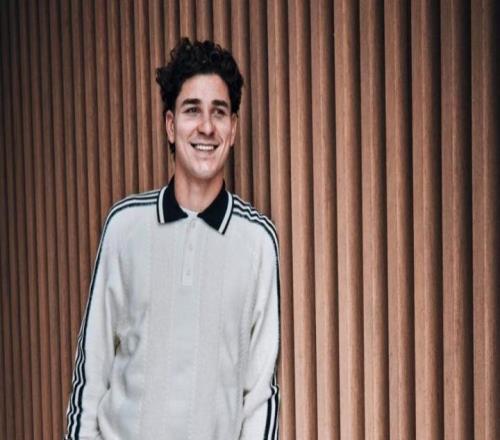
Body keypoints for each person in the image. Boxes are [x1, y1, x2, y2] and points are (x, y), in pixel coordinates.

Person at [65, 38, 280, 440]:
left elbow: (260, 396)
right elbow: (90, 373)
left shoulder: (257, 242)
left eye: (219, 112)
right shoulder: (125, 227)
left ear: (233, 129)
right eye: (191, 110)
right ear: (170, 124)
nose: (206, 126)